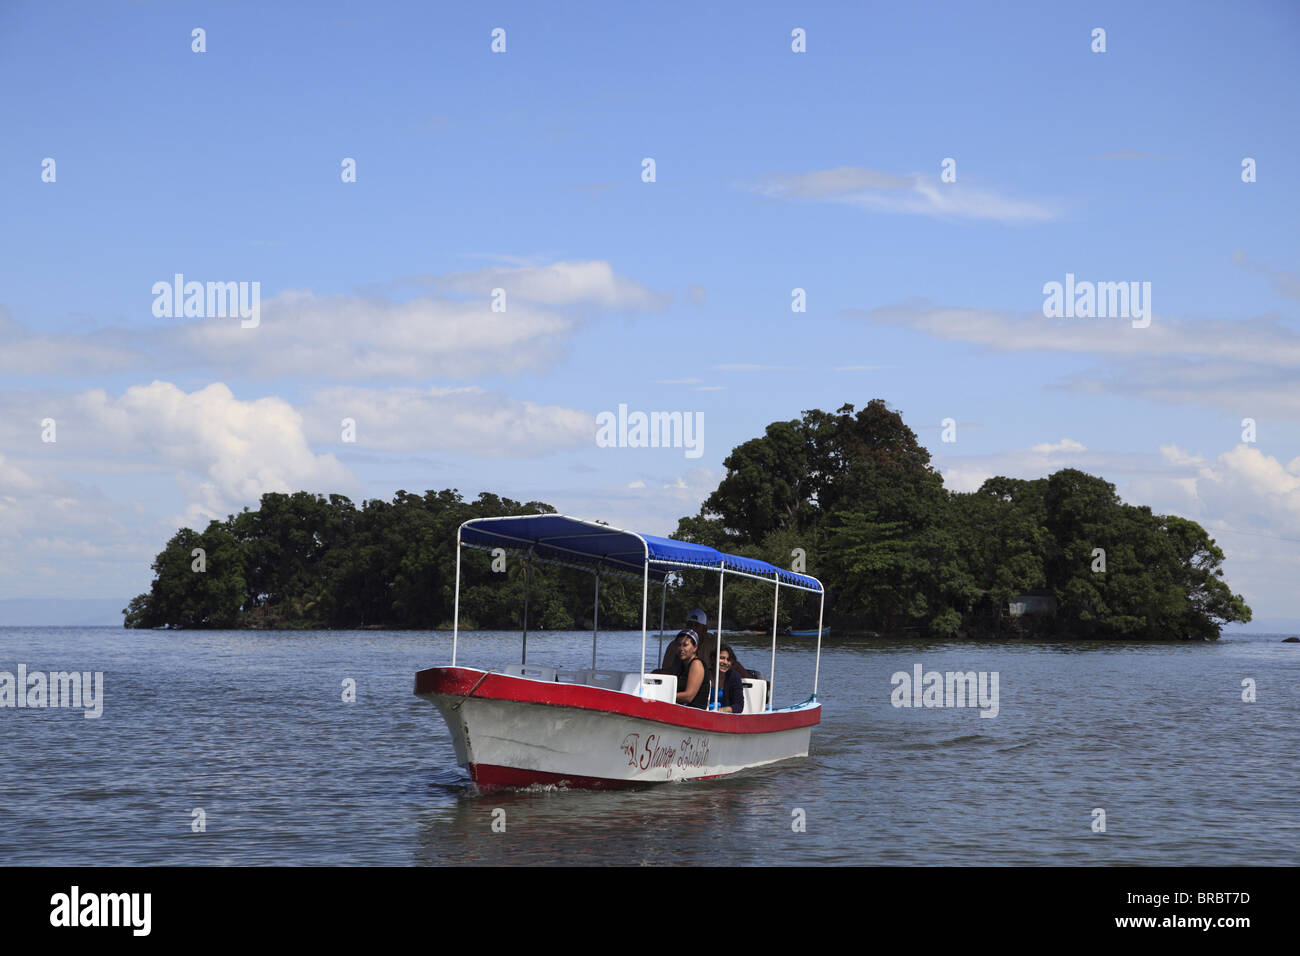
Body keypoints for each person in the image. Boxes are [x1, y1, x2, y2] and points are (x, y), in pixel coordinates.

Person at [673, 630, 710, 709]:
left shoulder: (696, 664)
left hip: (695, 713)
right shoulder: (681, 665)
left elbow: (688, 696)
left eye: (685, 645)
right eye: (679, 645)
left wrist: (663, 694)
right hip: (681, 708)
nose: (681, 649)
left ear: (695, 647)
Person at [710, 644, 745, 713]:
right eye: (722, 658)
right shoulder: (705, 674)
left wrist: (723, 710)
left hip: (723, 716)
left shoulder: (734, 677)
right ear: (713, 659)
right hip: (704, 713)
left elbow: (739, 706)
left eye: (729, 660)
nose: (725, 662)